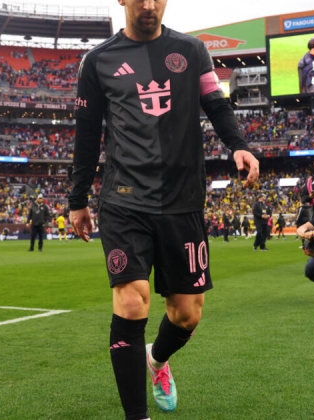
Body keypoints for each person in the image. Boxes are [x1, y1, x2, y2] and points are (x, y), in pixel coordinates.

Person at [67, 0, 260, 416]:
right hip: (124, 199)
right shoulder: (97, 62)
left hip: (182, 199)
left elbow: (216, 103)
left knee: (187, 314)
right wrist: (77, 199)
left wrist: (238, 145)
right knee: (131, 302)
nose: (149, 5)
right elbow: (86, 134)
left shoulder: (192, 51)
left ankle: (155, 360)